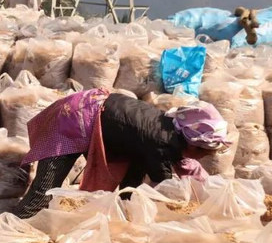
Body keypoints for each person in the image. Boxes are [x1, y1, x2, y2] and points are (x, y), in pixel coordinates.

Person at [12, 89, 231, 218]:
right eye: (207, 152)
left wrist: (211, 192)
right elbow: (165, 189)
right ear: (194, 144)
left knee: (129, 191)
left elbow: (182, 168)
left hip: (97, 113)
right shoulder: (161, 143)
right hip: (72, 120)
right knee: (44, 192)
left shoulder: (171, 132)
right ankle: (6, 236)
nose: (208, 157)